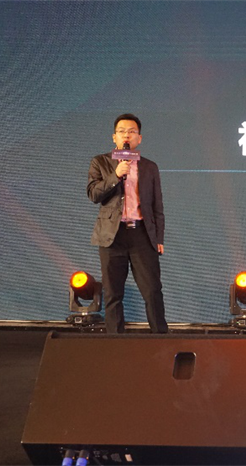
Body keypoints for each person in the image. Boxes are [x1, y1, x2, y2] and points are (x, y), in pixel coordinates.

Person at [87, 113, 168, 333]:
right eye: (122, 131)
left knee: (152, 290)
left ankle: (161, 339)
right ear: (114, 137)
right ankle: (115, 342)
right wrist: (115, 175)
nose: (127, 135)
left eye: (132, 132)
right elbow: (93, 194)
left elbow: (157, 206)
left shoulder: (150, 167)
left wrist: (159, 238)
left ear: (139, 138)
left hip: (142, 234)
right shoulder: (100, 162)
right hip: (112, 236)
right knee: (113, 293)